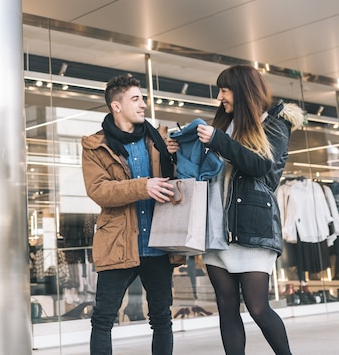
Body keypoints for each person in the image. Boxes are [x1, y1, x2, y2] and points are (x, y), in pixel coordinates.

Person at [169, 65, 303, 355]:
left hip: (252, 228)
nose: (220, 97)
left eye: (224, 90)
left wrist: (219, 141)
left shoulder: (275, 124)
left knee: (257, 307)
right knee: (227, 308)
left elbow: (260, 166)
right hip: (216, 228)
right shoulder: (222, 125)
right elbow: (201, 171)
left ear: (242, 90)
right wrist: (178, 150)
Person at [81, 74, 183, 355]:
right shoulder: (95, 146)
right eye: (136, 99)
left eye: (143, 98)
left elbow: (180, 179)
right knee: (102, 319)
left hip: (159, 245)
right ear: (116, 105)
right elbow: (99, 190)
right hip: (118, 244)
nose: (143, 104)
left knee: (162, 319)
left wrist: (178, 153)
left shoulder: (159, 140)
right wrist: (143, 186)